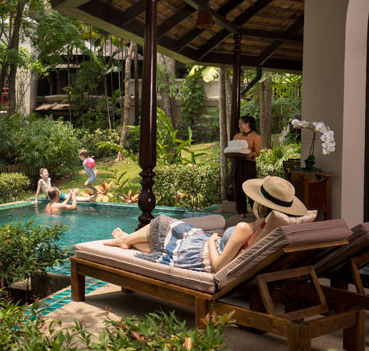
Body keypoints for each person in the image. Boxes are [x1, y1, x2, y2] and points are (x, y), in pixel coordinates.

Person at [104, 176, 307, 273]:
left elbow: (219, 266)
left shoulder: (245, 229)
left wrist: (212, 240)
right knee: (168, 231)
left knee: (162, 221)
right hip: (203, 247)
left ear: (260, 204)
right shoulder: (266, 230)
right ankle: (126, 241)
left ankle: (125, 240)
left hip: (202, 254)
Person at [232, 115, 262, 217]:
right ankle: (241, 211)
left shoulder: (256, 137)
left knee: (251, 187)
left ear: (247, 124)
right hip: (237, 163)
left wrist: (251, 154)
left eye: (241, 123)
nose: (239, 125)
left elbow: (257, 152)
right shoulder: (236, 136)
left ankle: (255, 209)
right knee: (238, 187)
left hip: (249, 164)